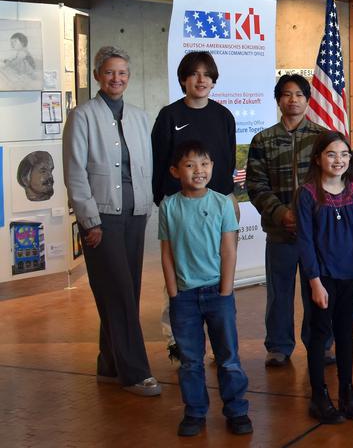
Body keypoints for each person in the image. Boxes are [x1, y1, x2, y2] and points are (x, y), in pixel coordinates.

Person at [62, 46, 160, 396]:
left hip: (134, 215)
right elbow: (75, 173)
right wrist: (89, 221)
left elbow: (145, 165)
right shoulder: (82, 116)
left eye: (122, 73)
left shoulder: (137, 116)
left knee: (124, 291)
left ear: (128, 77)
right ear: (97, 76)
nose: (116, 78)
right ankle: (134, 373)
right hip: (102, 216)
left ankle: (109, 363)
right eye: (109, 72)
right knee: (118, 291)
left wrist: (147, 206)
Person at [159, 141, 252, 437]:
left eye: (205, 164)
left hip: (217, 293)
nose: (199, 170)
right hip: (184, 297)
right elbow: (166, 253)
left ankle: (236, 410)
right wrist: (174, 293)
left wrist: (226, 292)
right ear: (175, 171)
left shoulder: (222, 203)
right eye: (190, 165)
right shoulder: (169, 206)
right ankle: (195, 411)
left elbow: (229, 250)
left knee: (228, 357)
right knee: (190, 361)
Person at [151, 51, 237, 363]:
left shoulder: (224, 116)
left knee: (220, 266)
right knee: (178, 271)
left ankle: (218, 339)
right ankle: (179, 341)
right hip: (180, 207)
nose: (201, 80)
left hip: (220, 204)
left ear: (213, 80)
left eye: (207, 75)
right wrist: (165, 202)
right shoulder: (169, 116)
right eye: (194, 74)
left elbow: (226, 161)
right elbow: (159, 161)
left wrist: (228, 200)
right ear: (184, 79)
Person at [246, 74, 326, 367]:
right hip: (279, 232)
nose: (293, 100)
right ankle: (278, 346)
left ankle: (322, 343)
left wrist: (308, 216)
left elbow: (330, 181)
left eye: (299, 95)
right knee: (279, 292)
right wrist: (282, 214)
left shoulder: (322, 137)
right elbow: (256, 185)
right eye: (286, 94)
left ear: (307, 100)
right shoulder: (263, 140)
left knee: (316, 290)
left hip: (315, 234)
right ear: (278, 99)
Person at [296, 132, 353, 424]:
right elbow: (305, 241)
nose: (338, 160)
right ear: (318, 158)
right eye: (330, 154)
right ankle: (319, 396)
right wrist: (314, 281)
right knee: (319, 337)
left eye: (343, 154)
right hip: (323, 278)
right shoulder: (308, 194)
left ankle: (347, 392)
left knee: (345, 336)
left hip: (351, 276)